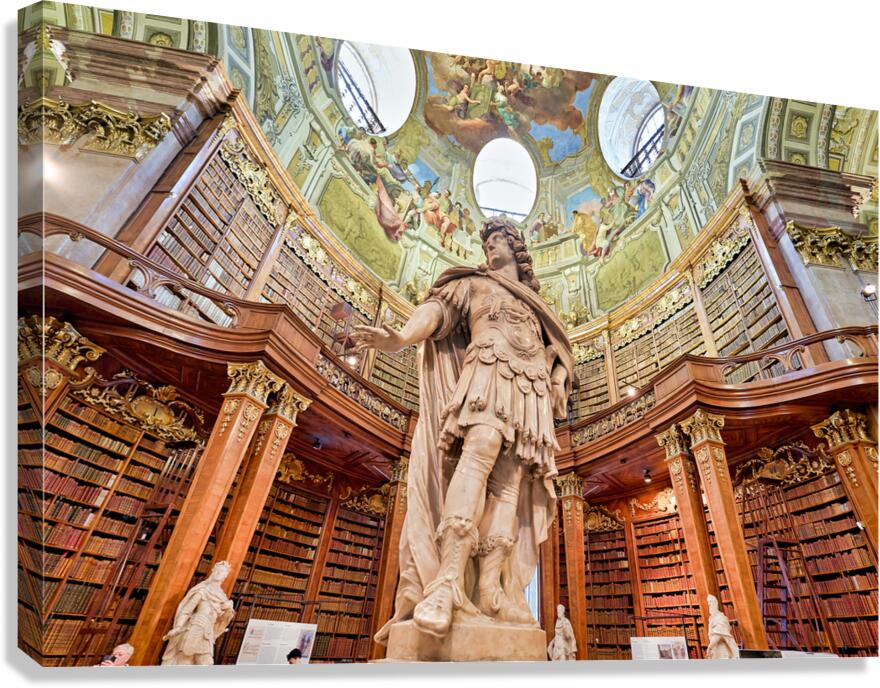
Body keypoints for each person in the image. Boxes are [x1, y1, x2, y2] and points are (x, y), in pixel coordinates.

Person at [353, 218, 573, 642]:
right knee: (479, 450)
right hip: (488, 369)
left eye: (497, 239)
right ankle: (447, 580)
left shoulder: (536, 304)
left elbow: (560, 350)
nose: (490, 246)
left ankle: (491, 590)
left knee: (509, 484)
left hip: (530, 386)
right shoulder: (471, 282)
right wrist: (402, 337)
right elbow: (438, 311)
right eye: (486, 240)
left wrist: (558, 378)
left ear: (516, 246)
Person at [160, 561, 235, 665]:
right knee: (185, 661)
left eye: (222, 571)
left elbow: (220, 621)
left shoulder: (222, 597)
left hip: (208, 633)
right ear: (213, 571)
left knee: (206, 663)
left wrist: (229, 610)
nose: (218, 573)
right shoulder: (202, 589)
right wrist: (178, 627)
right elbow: (187, 610)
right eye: (217, 570)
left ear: (225, 576)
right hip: (195, 627)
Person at [705, 594, 739, 659]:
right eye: (709, 605)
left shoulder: (721, 618)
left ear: (715, 604)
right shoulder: (712, 618)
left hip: (722, 649)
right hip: (715, 648)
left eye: (710, 604)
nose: (709, 606)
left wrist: (710, 647)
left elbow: (718, 634)